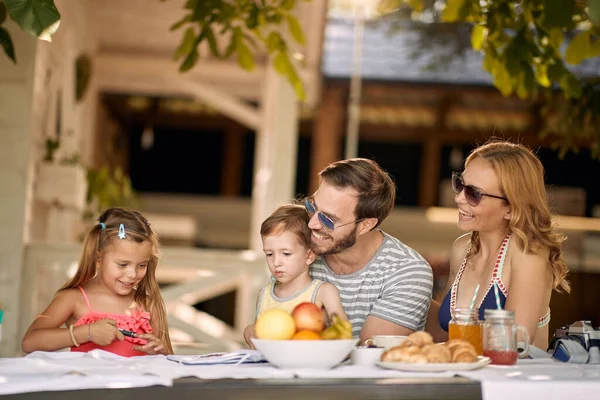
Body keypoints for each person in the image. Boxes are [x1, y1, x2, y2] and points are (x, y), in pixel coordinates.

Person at [430, 141, 570, 349]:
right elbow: (445, 332)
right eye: (459, 184)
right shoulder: (462, 249)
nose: (459, 198)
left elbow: (514, 343)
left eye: (474, 193)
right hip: (466, 375)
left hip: (513, 380)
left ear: (512, 208)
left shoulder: (528, 253)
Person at [307, 158, 433, 343]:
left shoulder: (407, 271)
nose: (311, 223)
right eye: (312, 207)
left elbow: (368, 357)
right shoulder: (298, 247)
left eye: (328, 219)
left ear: (365, 225)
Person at [22, 208, 173, 356]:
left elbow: (169, 359)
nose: (132, 274)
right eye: (122, 264)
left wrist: (160, 354)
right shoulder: (73, 299)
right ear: (98, 259)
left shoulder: (147, 305)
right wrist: (87, 333)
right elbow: (30, 342)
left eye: (142, 265)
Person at [244, 205, 347, 346]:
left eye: (286, 254)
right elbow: (259, 335)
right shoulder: (264, 294)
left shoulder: (323, 292)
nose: (276, 262)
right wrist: (249, 332)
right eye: (269, 254)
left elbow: (344, 335)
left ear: (309, 255)